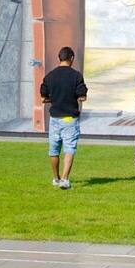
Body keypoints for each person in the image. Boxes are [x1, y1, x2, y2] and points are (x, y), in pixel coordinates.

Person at [40, 47, 87, 190]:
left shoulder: (50, 76)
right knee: (69, 148)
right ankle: (65, 179)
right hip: (69, 118)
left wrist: (54, 99)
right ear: (71, 58)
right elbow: (82, 97)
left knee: (54, 149)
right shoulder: (76, 76)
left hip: (54, 118)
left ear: (59, 58)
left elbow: (43, 97)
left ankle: (56, 178)